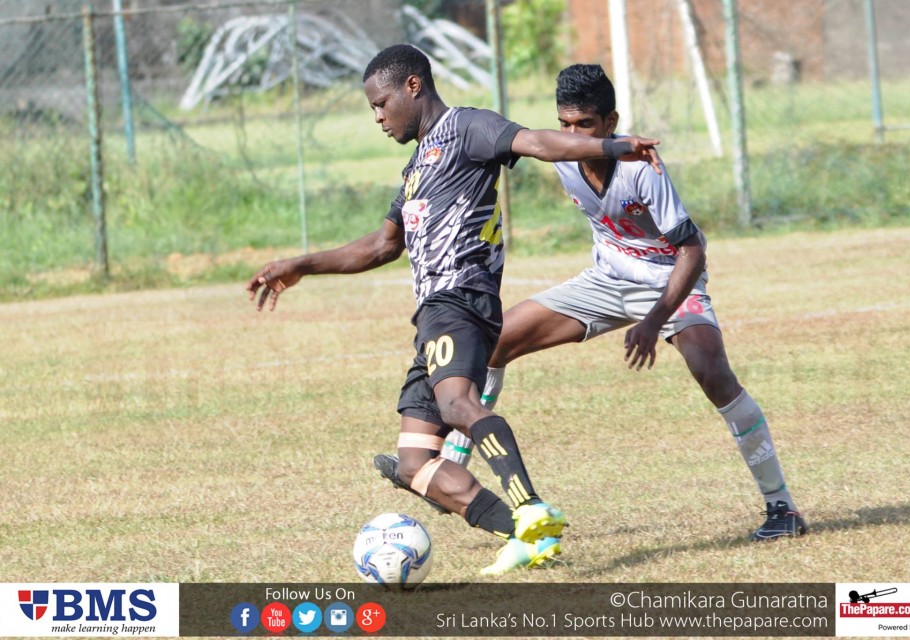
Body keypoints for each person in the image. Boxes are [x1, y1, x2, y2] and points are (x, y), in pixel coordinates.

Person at [246, 47, 664, 576]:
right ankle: (526, 537)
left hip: (461, 300)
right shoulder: (416, 167)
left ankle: (530, 506)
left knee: (459, 403)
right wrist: (302, 263)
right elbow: (380, 246)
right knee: (414, 466)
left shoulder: (467, 127)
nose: (377, 117)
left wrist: (615, 145)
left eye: (381, 104)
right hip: (432, 317)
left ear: (413, 87)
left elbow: (534, 141)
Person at [375, 63, 807, 543]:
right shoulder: (564, 159)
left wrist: (653, 320)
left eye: (585, 125)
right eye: (565, 124)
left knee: (712, 372)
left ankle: (781, 507)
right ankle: (451, 466)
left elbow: (692, 250)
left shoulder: (642, 170)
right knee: (496, 344)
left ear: (610, 122)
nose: (573, 134)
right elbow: (536, 145)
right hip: (604, 279)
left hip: (666, 281)